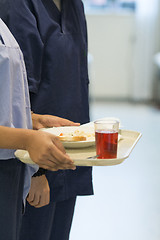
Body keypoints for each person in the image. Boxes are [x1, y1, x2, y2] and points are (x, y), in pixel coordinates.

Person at [0, 0, 94, 239]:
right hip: (32, 160)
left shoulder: (74, 6)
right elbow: (18, 95)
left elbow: (77, 77)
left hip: (70, 153)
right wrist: (35, 172)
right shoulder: (17, 6)